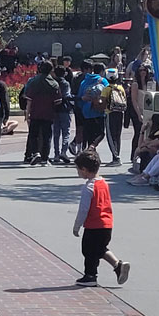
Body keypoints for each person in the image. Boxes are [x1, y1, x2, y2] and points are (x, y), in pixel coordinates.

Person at [72, 150, 129, 288]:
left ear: (84, 170)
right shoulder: (103, 183)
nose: (78, 173)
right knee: (100, 249)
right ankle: (118, 265)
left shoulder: (88, 187)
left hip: (93, 224)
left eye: (78, 170)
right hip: (107, 223)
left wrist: (77, 225)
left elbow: (84, 209)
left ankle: (90, 275)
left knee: (88, 251)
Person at [24, 62, 62, 166]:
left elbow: (29, 100)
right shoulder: (54, 84)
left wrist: (27, 115)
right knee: (47, 136)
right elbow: (58, 101)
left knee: (33, 135)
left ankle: (36, 152)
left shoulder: (33, 82)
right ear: (51, 70)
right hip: (48, 113)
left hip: (35, 112)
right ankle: (45, 158)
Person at [78, 63, 109, 153]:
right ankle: (92, 147)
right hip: (99, 111)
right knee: (100, 133)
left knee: (89, 134)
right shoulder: (103, 81)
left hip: (86, 112)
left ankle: (89, 153)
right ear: (102, 71)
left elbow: (80, 97)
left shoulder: (84, 81)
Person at [102, 67, 128, 166]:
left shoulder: (106, 89)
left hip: (110, 113)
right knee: (117, 136)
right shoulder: (120, 88)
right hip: (120, 113)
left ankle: (116, 158)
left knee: (110, 136)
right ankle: (117, 155)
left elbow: (102, 102)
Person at [51, 65, 73, 165]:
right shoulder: (66, 83)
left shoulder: (53, 83)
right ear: (65, 73)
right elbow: (67, 96)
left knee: (56, 133)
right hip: (65, 108)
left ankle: (56, 154)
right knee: (66, 131)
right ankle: (64, 151)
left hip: (54, 109)